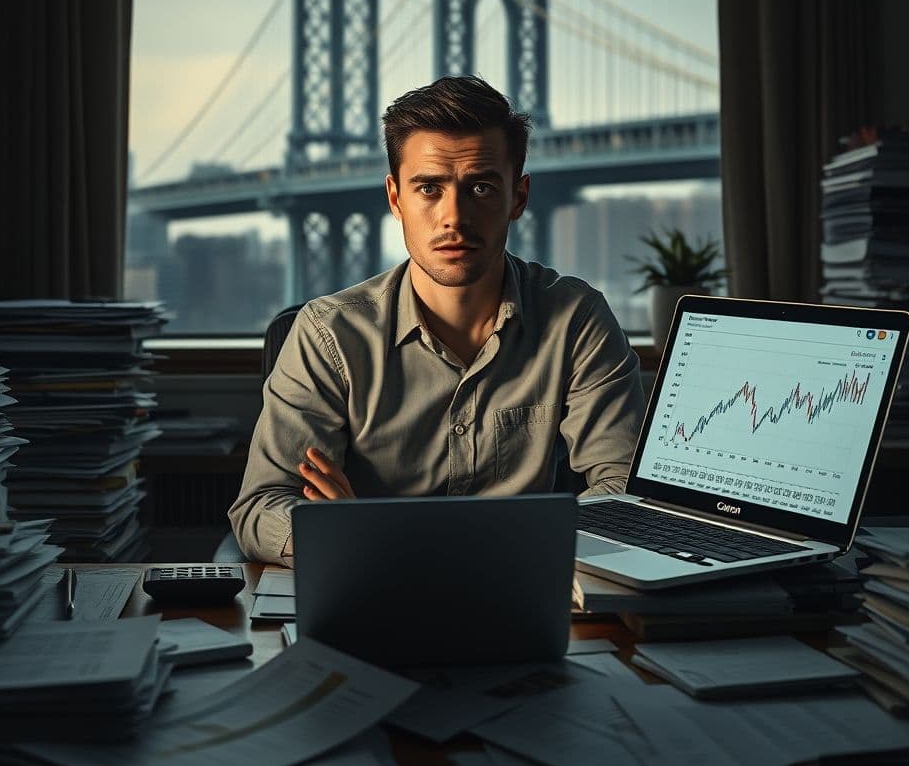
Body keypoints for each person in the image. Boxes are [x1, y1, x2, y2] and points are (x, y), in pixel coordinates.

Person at [229, 75, 646, 564]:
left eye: (482, 188)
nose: (454, 216)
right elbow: (261, 507)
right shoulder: (329, 335)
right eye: (429, 188)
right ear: (395, 198)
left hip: (513, 587)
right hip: (371, 593)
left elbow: (622, 487)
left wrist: (373, 537)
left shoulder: (576, 319)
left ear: (518, 197)